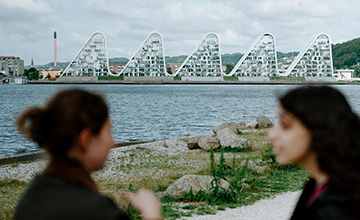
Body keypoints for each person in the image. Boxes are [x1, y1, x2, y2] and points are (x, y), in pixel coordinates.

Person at [14, 89, 161, 220]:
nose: (113, 142)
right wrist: (151, 213)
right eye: (108, 132)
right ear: (86, 140)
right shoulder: (100, 212)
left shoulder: (29, 201)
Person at [268, 86, 360, 219]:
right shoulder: (318, 184)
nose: (271, 134)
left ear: (317, 129)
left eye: (285, 125)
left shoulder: (333, 211)